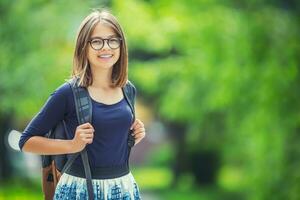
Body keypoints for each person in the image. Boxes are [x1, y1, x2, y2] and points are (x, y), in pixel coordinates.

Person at [18, 9, 146, 199]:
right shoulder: (68, 93)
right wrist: (72, 145)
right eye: (96, 41)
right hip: (79, 191)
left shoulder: (128, 90)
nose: (106, 48)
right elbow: (26, 142)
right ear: (83, 47)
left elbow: (109, 142)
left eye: (112, 40)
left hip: (124, 188)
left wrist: (132, 137)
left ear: (121, 45)